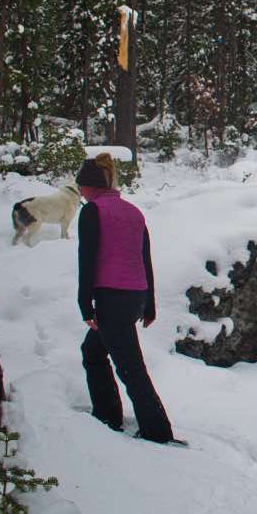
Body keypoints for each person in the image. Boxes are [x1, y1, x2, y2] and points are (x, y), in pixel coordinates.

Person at [75, 152, 175, 444]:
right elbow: (144, 258)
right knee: (93, 352)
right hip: (134, 297)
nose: (79, 191)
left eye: (80, 185)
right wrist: (150, 303)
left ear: (91, 186)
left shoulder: (93, 211)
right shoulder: (133, 212)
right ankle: (107, 415)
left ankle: (157, 432)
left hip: (111, 298)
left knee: (130, 366)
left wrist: (85, 303)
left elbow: (88, 258)